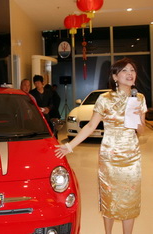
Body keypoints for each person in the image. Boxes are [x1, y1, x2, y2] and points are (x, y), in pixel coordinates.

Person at [55, 58, 147, 234]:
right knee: (109, 196)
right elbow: (90, 126)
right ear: (114, 76)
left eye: (133, 70)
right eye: (125, 70)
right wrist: (70, 146)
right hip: (110, 155)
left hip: (131, 156)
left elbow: (141, 131)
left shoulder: (139, 98)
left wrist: (136, 121)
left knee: (130, 197)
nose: (130, 74)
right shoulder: (104, 99)